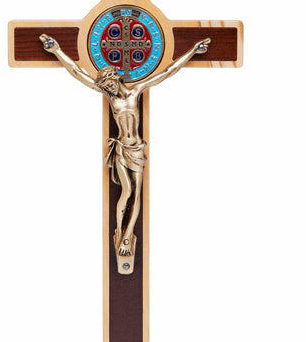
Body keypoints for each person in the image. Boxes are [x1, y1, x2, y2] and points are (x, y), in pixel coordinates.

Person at [39, 33, 211, 258]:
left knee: (136, 193)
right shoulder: (111, 97)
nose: (107, 88)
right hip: (121, 149)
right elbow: (77, 72)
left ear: (116, 77)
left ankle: (128, 236)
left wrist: (193, 51)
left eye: (108, 83)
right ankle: (120, 232)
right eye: (104, 86)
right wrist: (57, 51)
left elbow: (168, 71)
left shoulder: (135, 90)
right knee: (126, 190)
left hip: (137, 149)